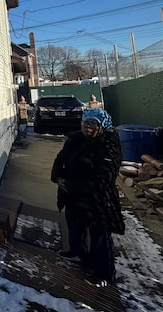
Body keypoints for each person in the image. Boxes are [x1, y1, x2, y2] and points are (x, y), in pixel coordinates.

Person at [50, 108, 125, 287]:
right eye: (86, 123)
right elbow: (60, 160)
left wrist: (72, 185)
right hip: (72, 197)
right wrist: (57, 177)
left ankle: (104, 274)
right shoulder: (74, 140)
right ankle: (77, 253)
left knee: (100, 238)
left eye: (93, 124)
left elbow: (104, 178)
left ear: (102, 126)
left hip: (97, 201)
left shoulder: (108, 145)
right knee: (75, 228)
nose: (88, 127)